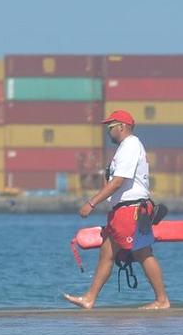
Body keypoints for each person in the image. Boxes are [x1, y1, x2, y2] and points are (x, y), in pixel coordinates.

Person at [64, 110, 171, 311]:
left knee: (142, 253)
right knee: (106, 253)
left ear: (122, 126)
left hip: (131, 210)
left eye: (110, 127)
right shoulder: (124, 149)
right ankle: (89, 298)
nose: (108, 131)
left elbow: (118, 182)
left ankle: (162, 300)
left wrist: (91, 203)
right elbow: (113, 182)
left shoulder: (130, 145)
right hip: (122, 210)